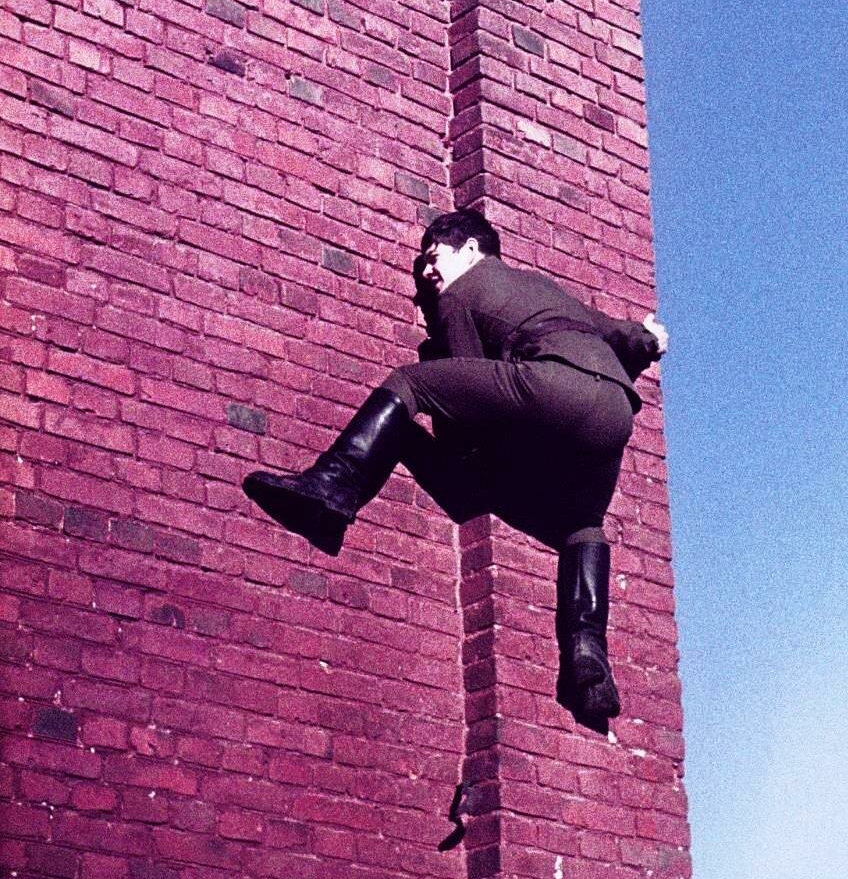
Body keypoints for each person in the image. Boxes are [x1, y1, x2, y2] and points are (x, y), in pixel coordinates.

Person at [243, 210, 667, 727]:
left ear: (470, 251)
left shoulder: (462, 293)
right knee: (582, 525)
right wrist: (649, 339)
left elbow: (468, 413)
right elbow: (623, 335)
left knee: (412, 383)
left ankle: (333, 486)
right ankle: (588, 658)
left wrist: (451, 458)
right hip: (614, 413)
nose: (426, 274)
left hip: (554, 388)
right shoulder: (543, 289)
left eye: (432, 257)